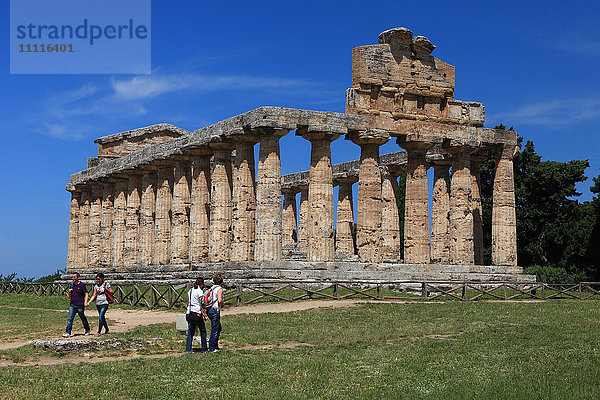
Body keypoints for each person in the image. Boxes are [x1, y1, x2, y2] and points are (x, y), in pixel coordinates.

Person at [63, 272, 90, 337]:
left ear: (78, 277)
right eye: (72, 277)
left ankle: (87, 330)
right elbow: (69, 295)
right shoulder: (72, 285)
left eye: (74, 277)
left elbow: (86, 293)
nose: (73, 279)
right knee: (70, 319)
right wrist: (69, 292)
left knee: (82, 318)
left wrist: (86, 302)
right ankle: (68, 332)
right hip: (72, 304)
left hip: (80, 304)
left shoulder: (82, 285)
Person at [186, 277, 207, 353]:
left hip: (189, 312)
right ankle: (204, 348)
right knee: (202, 330)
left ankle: (188, 349)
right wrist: (204, 314)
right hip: (196, 312)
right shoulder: (200, 292)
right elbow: (202, 304)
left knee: (190, 332)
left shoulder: (190, 291)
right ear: (201, 284)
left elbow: (189, 302)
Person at [207, 273, 224, 352]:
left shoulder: (212, 288)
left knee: (218, 328)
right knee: (215, 329)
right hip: (215, 309)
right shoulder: (219, 289)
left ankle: (215, 345)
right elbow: (220, 300)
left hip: (210, 309)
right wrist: (222, 304)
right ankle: (212, 347)